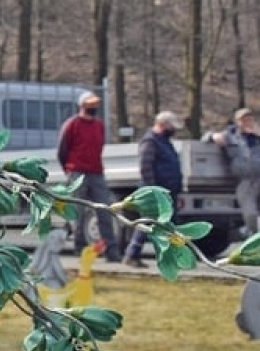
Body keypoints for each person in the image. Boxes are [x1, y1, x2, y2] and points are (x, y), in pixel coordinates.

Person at [55, 91, 120, 261]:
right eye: (91, 105)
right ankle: (80, 248)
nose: (94, 107)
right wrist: (69, 171)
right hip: (77, 172)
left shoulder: (99, 125)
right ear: (82, 106)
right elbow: (62, 151)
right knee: (78, 213)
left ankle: (111, 251)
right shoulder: (72, 124)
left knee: (105, 211)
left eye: (95, 105)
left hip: (96, 172)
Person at [209, 107, 260, 241]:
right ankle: (256, 239)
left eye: (249, 119)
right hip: (245, 180)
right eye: (243, 120)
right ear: (237, 122)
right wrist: (213, 136)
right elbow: (207, 137)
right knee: (250, 213)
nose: (247, 122)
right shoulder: (230, 136)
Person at [123, 111, 184, 268]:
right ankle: (131, 254)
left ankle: (173, 259)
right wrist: (154, 190)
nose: (174, 130)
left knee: (171, 226)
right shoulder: (150, 142)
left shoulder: (165, 142)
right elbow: (146, 167)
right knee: (148, 223)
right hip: (155, 193)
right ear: (162, 124)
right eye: (171, 126)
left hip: (169, 192)